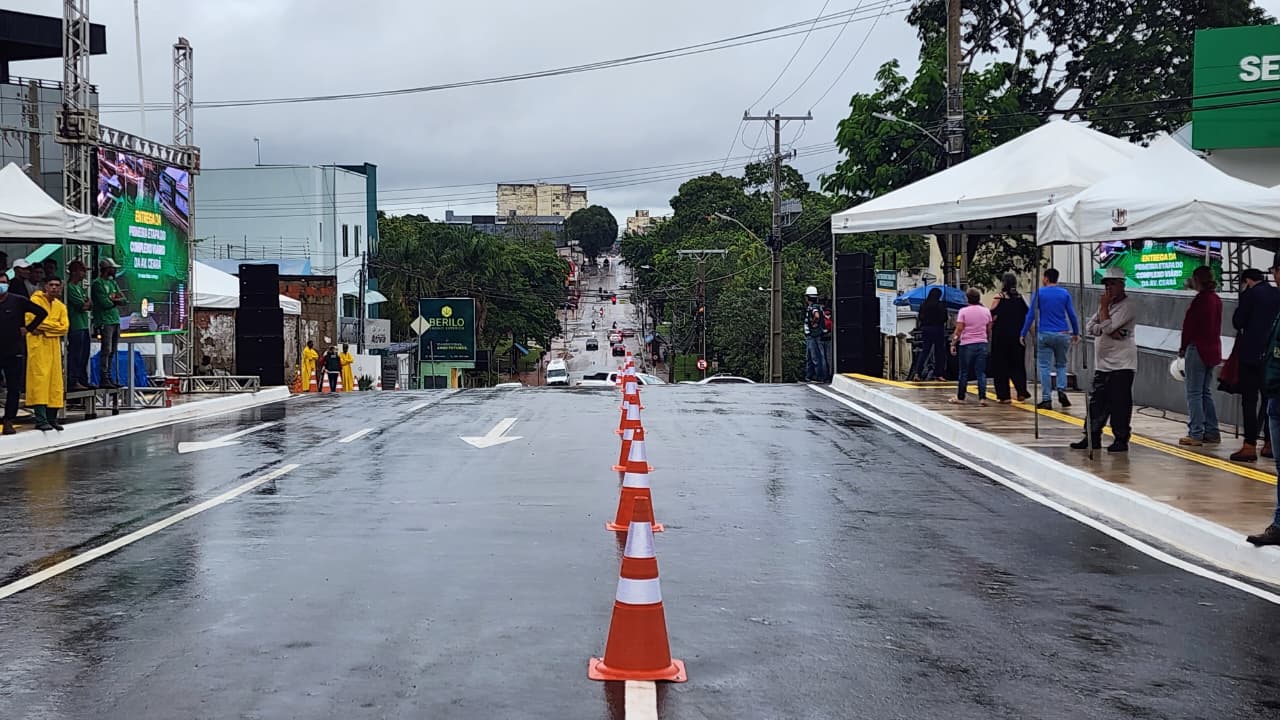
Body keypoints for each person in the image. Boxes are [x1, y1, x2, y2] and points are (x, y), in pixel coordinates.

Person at [1071, 267, 1137, 453]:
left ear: (1121, 285)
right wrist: (1104, 318)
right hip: (1102, 364)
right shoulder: (1106, 306)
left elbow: (1107, 327)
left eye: (1112, 285)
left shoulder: (1127, 306)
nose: (1108, 289)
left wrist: (1105, 320)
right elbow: (1091, 326)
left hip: (1122, 364)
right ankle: (1092, 435)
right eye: (1106, 285)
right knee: (1097, 401)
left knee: (1119, 403)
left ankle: (1121, 438)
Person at [1230, 267, 1280, 462]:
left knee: (1249, 401)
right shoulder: (1277, 293)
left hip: (1250, 356)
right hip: (1270, 357)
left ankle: (1249, 445)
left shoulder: (1250, 294)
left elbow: (1238, 321)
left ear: (1248, 281)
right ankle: (1269, 444)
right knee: (1269, 401)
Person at [1021, 268, 1080, 410]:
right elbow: (1072, 314)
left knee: (1044, 366)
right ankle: (1061, 390)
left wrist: (1023, 333)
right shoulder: (1064, 294)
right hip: (1063, 333)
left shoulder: (1039, 293)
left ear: (1046, 278)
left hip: (1045, 333)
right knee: (1061, 364)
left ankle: (1046, 399)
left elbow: (1030, 315)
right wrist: (1076, 332)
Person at [1179, 266, 1223, 447]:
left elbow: (1189, 326)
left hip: (1197, 349)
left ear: (1197, 280)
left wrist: (1182, 347)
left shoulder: (1200, 300)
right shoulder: (1216, 299)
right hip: (1213, 349)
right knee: (1205, 392)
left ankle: (1195, 432)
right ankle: (1212, 431)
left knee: (1194, 392)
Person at [0, 275, 47, 435]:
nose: (2, 285)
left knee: (14, 388)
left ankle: (9, 420)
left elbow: (41, 312)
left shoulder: (17, 300)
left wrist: (28, 328)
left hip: (14, 351)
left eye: (4, 283)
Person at [26, 276, 69, 432]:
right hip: (38, 347)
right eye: (51, 285)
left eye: (57, 285)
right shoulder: (35, 301)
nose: (54, 288)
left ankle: (52, 418)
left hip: (53, 347)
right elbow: (32, 321)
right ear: (45, 286)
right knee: (40, 381)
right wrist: (54, 327)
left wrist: (45, 328)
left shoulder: (61, 306)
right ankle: (41, 419)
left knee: (55, 382)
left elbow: (64, 328)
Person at [989, 273, 1031, 404]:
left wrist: (988, 331)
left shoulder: (999, 297)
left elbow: (991, 316)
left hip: (1000, 337)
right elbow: (1027, 317)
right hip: (1017, 336)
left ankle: (1004, 395)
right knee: (1017, 365)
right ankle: (1021, 391)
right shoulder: (1020, 298)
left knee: (1000, 366)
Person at [950, 287, 992, 405]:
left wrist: (953, 343)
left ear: (967, 298)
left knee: (964, 372)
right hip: (982, 343)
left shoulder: (963, 311)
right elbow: (989, 328)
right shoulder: (986, 311)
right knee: (981, 372)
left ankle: (961, 397)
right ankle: (982, 398)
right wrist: (986, 339)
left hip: (967, 344)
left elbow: (959, 329)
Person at [92, 257, 126, 389]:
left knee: (113, 350)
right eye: (113, 268)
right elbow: (104, 303)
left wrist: (114, 300)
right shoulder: (97, 284)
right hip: (104, 321)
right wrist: (114, 300)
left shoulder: (113, 283)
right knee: (106, 349)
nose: (115, 270)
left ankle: (109, 377)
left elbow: (123, 299)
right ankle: (103, 377)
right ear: (107, 269)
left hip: (115, 319)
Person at [65, 260, 94, 391]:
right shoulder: (70, 287)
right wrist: (86, 304)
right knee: (76, 354)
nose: (84, 275)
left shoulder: (80, 288)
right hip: (75, 325)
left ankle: (83, 379)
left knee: (84, 355)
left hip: (83, 325)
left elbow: (89, 304)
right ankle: (73, 380)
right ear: (75, 272)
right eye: (83, 271)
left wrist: (87, 304)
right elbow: (83, 305)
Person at [908, 288, 948, 381]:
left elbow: (920, 317)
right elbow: (945, 318)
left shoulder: (924, 304)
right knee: (939, 352)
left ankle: (917, 373)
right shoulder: (941, 305)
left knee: (925, 351)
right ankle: (939, 374)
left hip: (926, 329)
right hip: (938, 329)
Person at [803, 285, 828, 383]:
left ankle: (819, 377)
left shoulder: (813, 307)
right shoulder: (817, 307)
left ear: (808, 297)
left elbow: (816, 316)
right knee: (810, 357)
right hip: (812, 335)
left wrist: (813, 322)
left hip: (813, 336)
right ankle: (809, 376)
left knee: (815, 356)